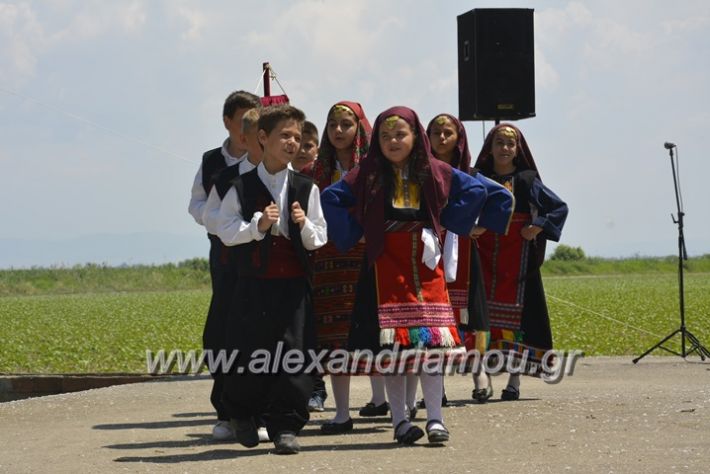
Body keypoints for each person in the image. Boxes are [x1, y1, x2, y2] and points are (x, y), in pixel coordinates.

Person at [321, 106, 508, 445]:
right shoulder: (368, 172)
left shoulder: (434, 169)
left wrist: (451, 222)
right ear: (376, 140)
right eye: (385, 135)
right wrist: (357, 231)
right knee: (393, 348)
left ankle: (436, 419)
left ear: (414, 136)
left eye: (400, 134)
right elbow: (331, 196)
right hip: (385, 264)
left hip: (425, 262)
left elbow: (480, 191)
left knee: (432, 346)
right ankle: (400, 422)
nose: (393, 141)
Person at [216, 104, 328, 455]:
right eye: (285, 135)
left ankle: (286, 425)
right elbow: (226, 230)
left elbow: (320, 237)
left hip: (293, 285)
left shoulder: (307, 188)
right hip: (252, 284)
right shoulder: (240, 186)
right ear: (263, 138)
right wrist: (258, 226)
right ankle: (243, 414)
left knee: (295, 354)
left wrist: (302, 224)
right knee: (249, 352)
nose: (292, 142)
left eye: (297, 136)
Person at [301, 101, 387, 433]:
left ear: (360, 128)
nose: (338, 131)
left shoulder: (375, 170)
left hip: (366, 257)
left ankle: (382, 399)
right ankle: (341, 413)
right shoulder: (312, 172)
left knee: (369, 329)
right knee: (334, 334)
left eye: (346, 124)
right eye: (332, 124)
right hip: (327, 261)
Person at [473, 123, 568, 401]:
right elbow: (461, 207)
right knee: (482, 319)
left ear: (518, 150)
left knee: (517, 321)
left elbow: (559, 207)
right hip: (484, 262)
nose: (504, 148)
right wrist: (473, 225)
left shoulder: (527, 180)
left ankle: (513, 383)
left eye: (509, 144)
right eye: (499, 143)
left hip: (519, 266)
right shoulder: (479, 178)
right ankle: (483, 381)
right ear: (489, 149)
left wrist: (537, 226)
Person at [187, 90, 261, 441]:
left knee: (260, 331)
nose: (248, 128)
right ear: (228, 122)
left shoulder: (267, 159)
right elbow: (196, 205)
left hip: (263, 260)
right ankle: (226, 411)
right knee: (221, 333)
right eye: (243, 121)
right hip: (226, 258)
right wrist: (221, 223)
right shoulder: (212, 161)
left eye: (255, 120)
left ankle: (260, 412)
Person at [426, 113, 514, 404]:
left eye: (447, 132)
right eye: (436, 132)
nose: (441, 138)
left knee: (472, 314)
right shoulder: (422, 172)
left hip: (462, 248)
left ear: (458, 138)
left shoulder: (471, 174)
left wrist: (479, 225)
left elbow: (502, 197)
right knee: (433, 317)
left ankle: (480, 378)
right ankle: (437, 389)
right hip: (427, 249)